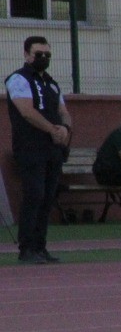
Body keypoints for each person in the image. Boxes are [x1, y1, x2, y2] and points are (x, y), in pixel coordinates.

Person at [5, 36, 72, 265]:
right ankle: (27, 248)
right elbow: (26, 111)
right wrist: (51, 129)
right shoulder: (18, 79)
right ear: (26, 55)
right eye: (38, 54)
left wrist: (65, 128)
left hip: (53, 150)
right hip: (30, 148)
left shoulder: (52, 83)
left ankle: (40, 247)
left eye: (47, 55)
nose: (43, 58)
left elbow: (63, 110)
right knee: (34, 195)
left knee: (47, 198)